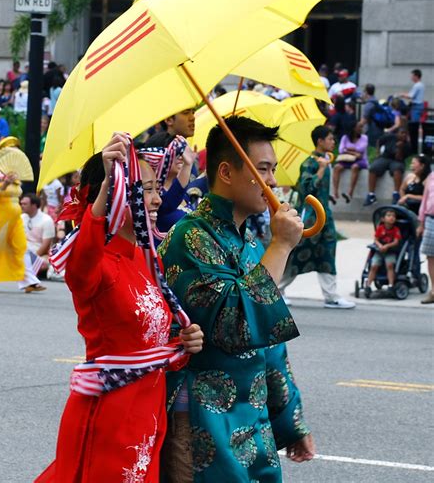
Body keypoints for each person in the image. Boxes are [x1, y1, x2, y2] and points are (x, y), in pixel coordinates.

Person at [34, 133, 203, 482]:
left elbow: (146, 344)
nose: (158, 200)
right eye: (147, 190)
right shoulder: (94, 263)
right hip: (108, 415)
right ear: (117, 195)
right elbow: (81, 262)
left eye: (158, 188)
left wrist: (183, 344)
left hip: (148, 412)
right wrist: (109, 180)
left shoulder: (143, 258)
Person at [159, 116, 315, 482]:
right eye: (263, 169)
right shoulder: (190, 238)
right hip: (203, 420)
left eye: (273, 169)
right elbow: (236, 325)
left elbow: (270, 344)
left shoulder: (246, 243)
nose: (272, 182)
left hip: (251, 420)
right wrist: (280, 246)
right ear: (226, 172)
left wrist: (293, 421)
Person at [280, 125, 356, 309]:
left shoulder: (325, 161)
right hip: (310, 217)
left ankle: (331, 296)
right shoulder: (310, 163)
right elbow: (306, 188)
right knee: (298, 252)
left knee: (328, 252)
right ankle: (278, 290)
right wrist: (321, 170)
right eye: (330, 138)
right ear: (320, 141)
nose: (333, 142)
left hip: (325, 215)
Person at [141, 134, 196, 234]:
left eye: (182, 153)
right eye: (176, 153)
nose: (181, 157)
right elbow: (170, 202)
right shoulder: (157, 196)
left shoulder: (184, 192)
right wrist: (187, 166)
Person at [363, 127, 411, 206]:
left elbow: (398, 157)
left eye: (406, 134)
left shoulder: (407, 145)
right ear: (397, 134)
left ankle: (396, 195)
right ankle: (371, 195)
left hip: (397, 161)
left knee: (397, 170)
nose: (404, 135)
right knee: (373, 168)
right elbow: (379, 141)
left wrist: (400, 147)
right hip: (385, 157)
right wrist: (378, 153)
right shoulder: (390, 137)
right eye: (402, 133)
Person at [364, 209, 402, 296]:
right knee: (373, 266)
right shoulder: (380, 228)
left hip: (390, 251)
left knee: (390, 265)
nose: (391, 217)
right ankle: (368, 285)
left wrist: (387, 246)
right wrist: (380, 245)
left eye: (393, 216)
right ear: (383, 219)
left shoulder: (396, 229)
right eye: (389, 215)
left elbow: (396, 242)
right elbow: (376, 239)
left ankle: (391, 285)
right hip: (379, 251)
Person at [332, 121, 368, 202]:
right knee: (337, 167)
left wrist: (347, 149)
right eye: (359, 127)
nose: (361, 129)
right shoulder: (345, 137)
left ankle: (350, 193)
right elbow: (341, 150)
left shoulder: (364, 137)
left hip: (360, 160)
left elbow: (361, 149)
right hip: (347, 159)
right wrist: (354, 152)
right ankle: (335, 193)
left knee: (355, 167)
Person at [21, 193, 56, 276]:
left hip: (39, 255)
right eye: (21, 203)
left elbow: (45, 246)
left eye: (25, 204)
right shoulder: (21, 218)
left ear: (34, 205)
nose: (21, 206)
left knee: (42, 264)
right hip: (22, 252)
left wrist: (31, 259)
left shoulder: (46, 220)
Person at [418, 172, 434, 304]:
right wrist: (421, 223)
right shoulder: (431, 176)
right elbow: (425, 199)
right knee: (430, 256)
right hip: (431, 219)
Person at [401, 69, 425, 154]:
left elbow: (410, 96)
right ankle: (414, 146)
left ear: (416, 76)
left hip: (416, 106)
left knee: (414, 127)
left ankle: (414, 148)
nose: (411, 77)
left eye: (412, 76)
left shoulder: (417, 85)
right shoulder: (421, 85)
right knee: (414, 125)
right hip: (418, 106)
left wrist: (402, 94)